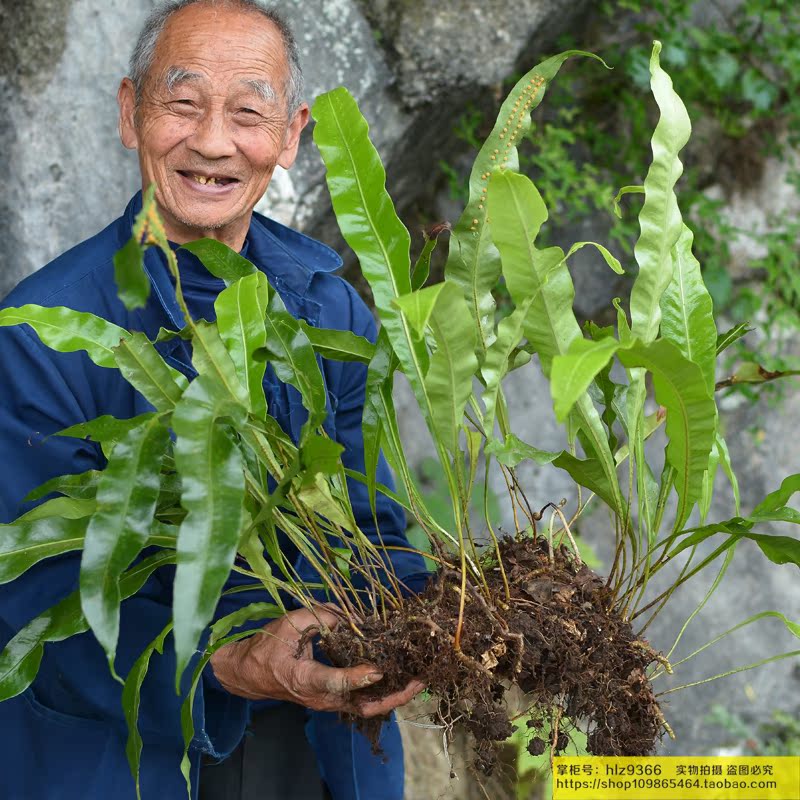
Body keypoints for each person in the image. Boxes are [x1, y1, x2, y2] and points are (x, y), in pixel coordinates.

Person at [0, 2, 429, 798]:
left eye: (248, 113)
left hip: (321, 737)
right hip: (127, 754)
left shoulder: (329, 312)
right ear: (132, 114)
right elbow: (34, 607)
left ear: (292, 135)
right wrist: (230, 665)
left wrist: (447, 622)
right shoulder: (43, 337)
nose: (213, 142)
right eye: (183, 104)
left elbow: (374, 533)